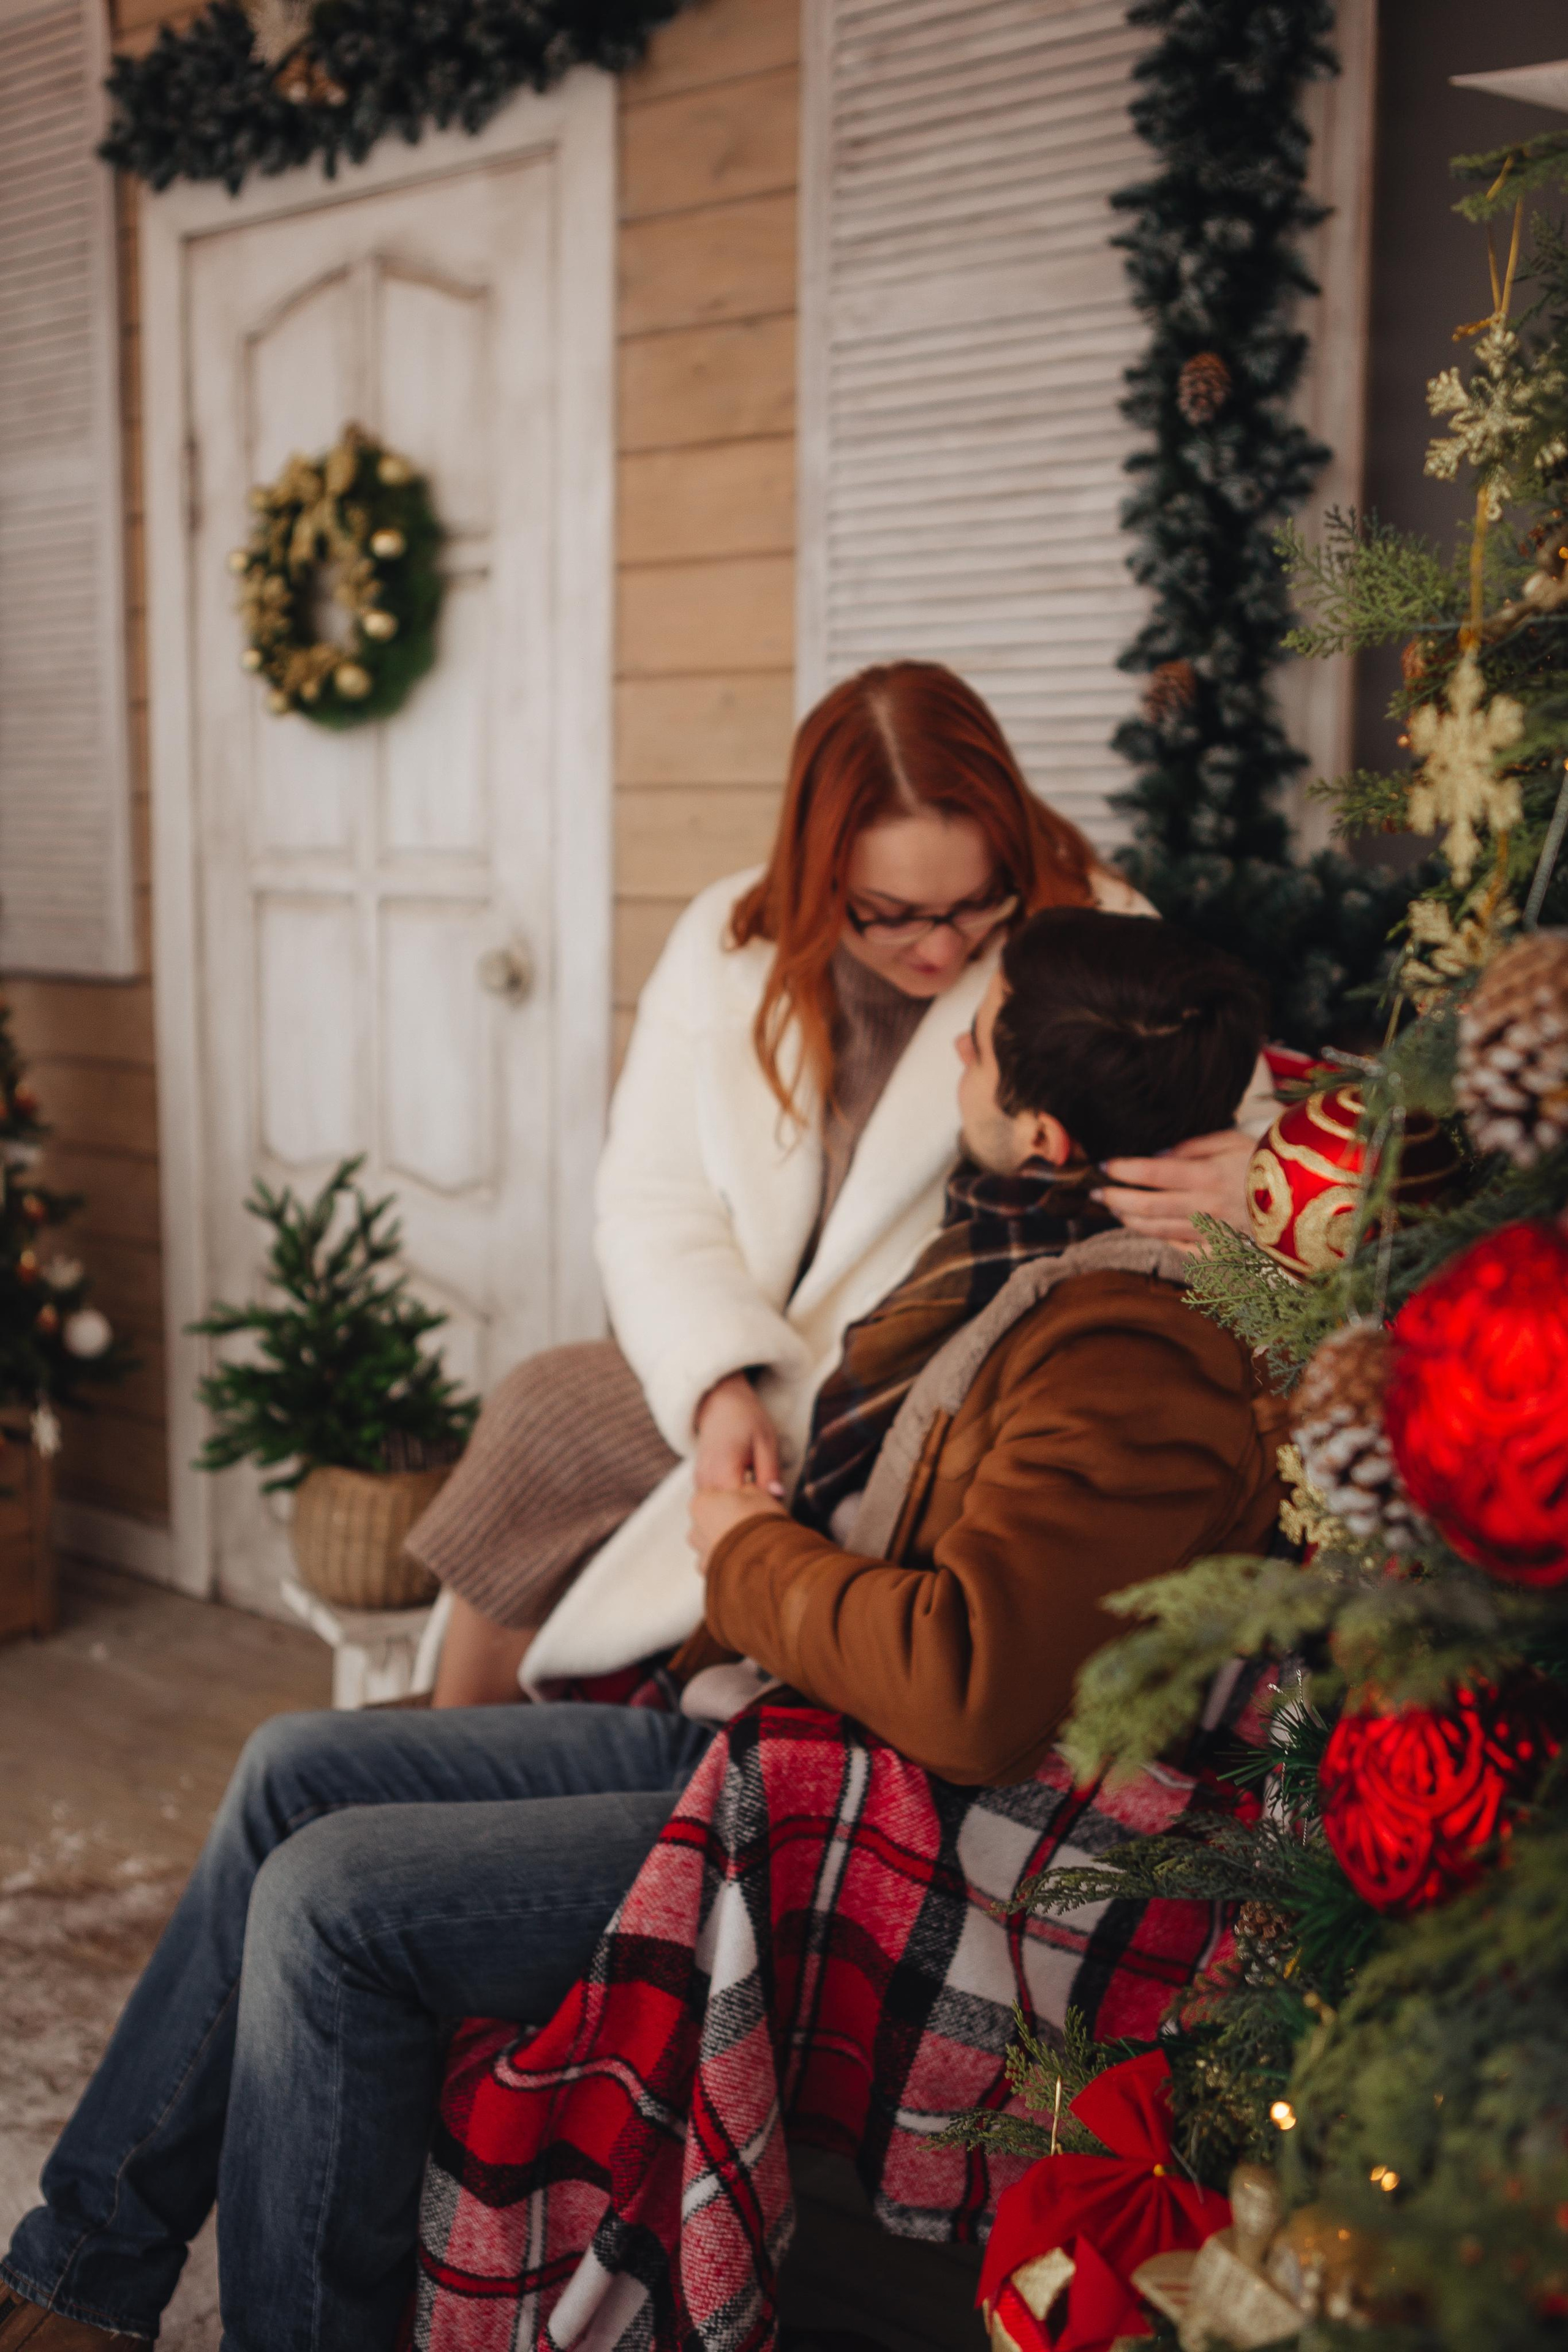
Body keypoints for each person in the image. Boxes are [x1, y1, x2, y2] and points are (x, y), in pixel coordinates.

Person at [0, 908, 1282, 2352]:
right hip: (779, 1727)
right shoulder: (1015, 1244)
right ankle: (81, 2276)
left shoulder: (1127, 1353)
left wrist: (742, 1552)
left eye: (976, 1045)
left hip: (855, 1831)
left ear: (1045, 1133)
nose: (953, 1060)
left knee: (333, 1901)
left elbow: (966, 1692)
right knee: (290, 1767)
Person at [410, 661, 1270, 1708]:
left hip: (923, 1390)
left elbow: (1223, 1116)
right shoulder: (726, 944)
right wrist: (715, 1382)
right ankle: (437, 1755)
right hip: (756, 1358)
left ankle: (468, 1764)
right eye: (892, 913)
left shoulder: (1085, 929)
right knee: (542, 1418)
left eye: (976, 904)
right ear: (821, 874)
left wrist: (1258, 1182)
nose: (942, 948)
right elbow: (652, 1200)